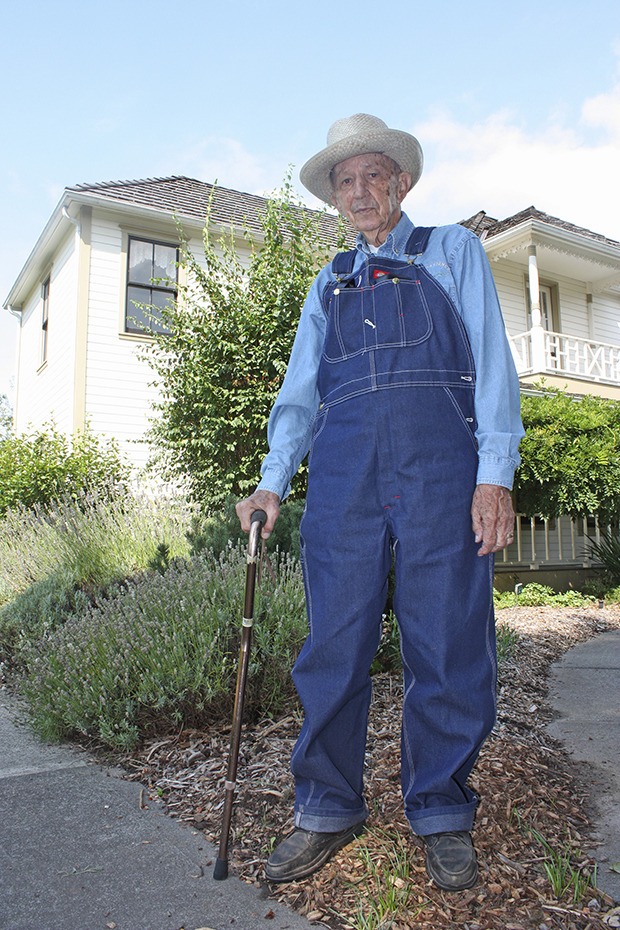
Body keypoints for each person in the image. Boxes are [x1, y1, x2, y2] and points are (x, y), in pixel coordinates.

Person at [236, 113, 524, 891]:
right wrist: (272, 478)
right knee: (334, 643)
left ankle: (440, 809)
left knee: (448, 641)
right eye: (346, 181)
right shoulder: (327, 282)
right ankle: (327, 807)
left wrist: (493, 472)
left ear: (401, 183)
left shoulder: (451, 251)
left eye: (374, 175)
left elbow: (493, 366)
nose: (361, 191)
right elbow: (300, 394)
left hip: (441, 472)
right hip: (343, 478)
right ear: (335, 198)